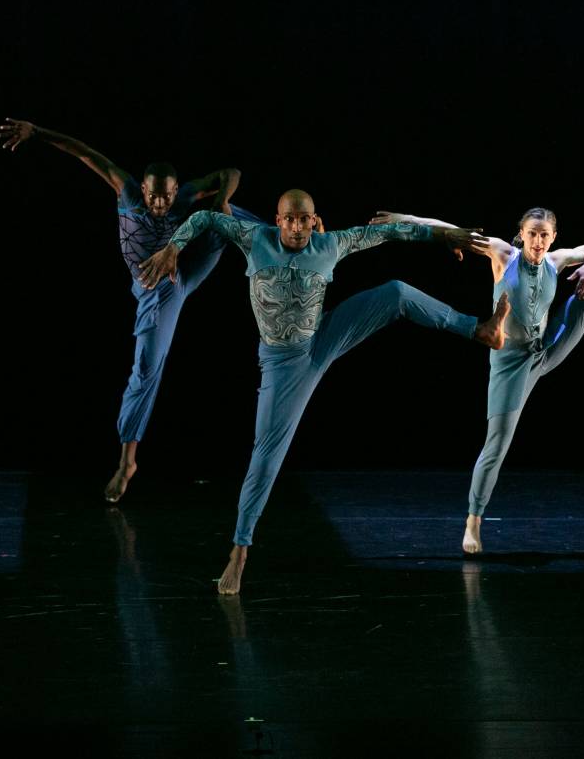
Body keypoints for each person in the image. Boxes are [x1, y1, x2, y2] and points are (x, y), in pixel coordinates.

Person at [139, 190, 510, 594]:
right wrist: (172, 249)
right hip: (284, 364)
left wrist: (441, 236)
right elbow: (206, 220)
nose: (297, 228)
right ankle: (239, 551)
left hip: (326, 335)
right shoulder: (254, 237)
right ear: (278, 221)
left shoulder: (332, 242)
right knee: (266, 455)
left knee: (397, 294)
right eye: (290, 220)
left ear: (314, 221)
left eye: (304, 220)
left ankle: (479, 329)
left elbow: (393, 234)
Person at [367, 208, 584, 555]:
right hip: (510, 363)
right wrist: (408, 221)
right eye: (532, 234)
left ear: (553, 237)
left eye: (545, 235)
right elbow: (451, 229)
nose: (538, 241)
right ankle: (473, 521)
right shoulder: (503, 254)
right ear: (521, 234)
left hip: (545, 348)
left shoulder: (556, 260)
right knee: (497, 445)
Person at [0, 118, 254, 502]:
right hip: (157, 291)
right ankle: (126, 463)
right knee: (146, 368)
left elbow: (230, 172)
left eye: (166, 198)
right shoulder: (127, 190)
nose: (159, 204)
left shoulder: (184, 196)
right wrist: (38, 134)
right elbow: (84, 151)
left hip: (184, 268)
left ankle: (287, 243)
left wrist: (218, 200)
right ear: (143, 187)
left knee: (226, 216)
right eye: (154, 196)